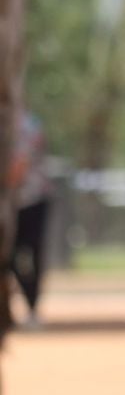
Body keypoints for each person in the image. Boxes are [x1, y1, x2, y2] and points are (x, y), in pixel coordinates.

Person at [9, 107, 50, 327]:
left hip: (32, 199)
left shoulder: (27, 125)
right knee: (11, 256)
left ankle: (32, 308)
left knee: (31, 253)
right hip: (10, 202)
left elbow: (18, 168)